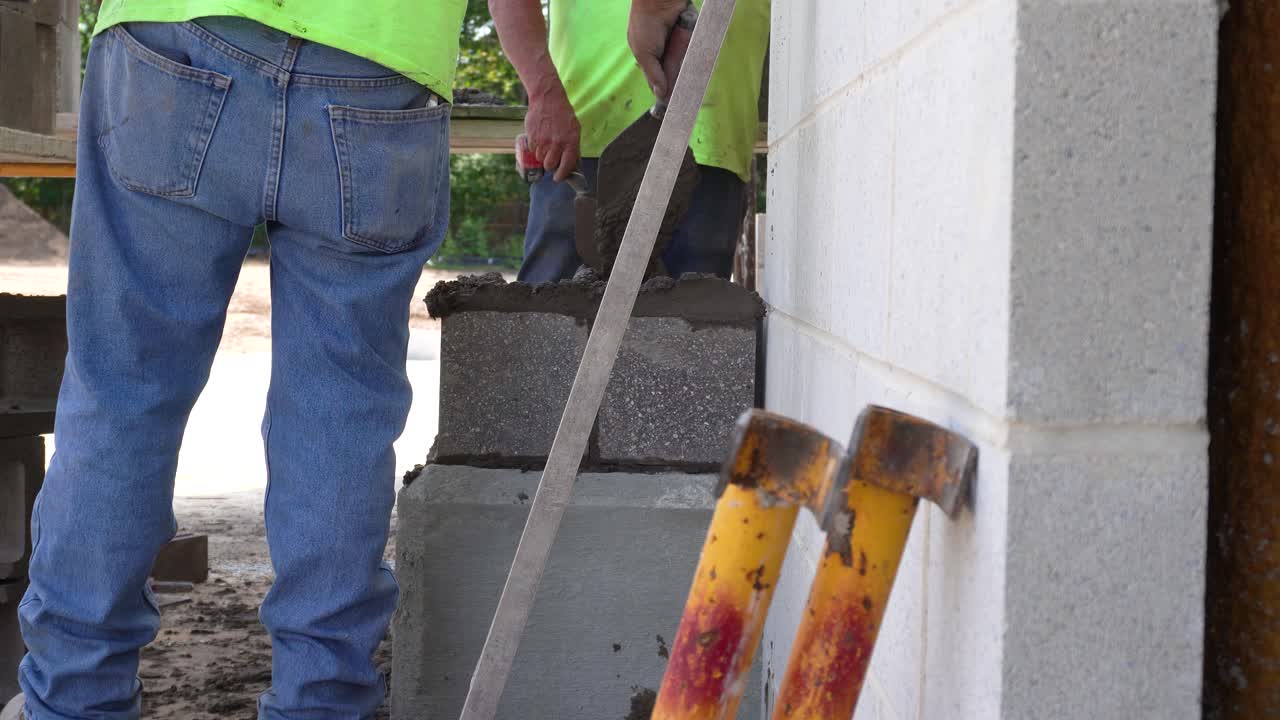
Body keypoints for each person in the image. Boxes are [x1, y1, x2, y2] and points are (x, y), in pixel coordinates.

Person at [1, 2, 466, 718]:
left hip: (178, 34)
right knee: (338, 418)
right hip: (380, 59)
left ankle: (73, 699)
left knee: (122, 394)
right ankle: (321, 702)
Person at [490, 0, 770, 283]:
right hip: (581, 152)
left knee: (693, 319)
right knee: (547, 317)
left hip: (713, 148)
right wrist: (544, 93)